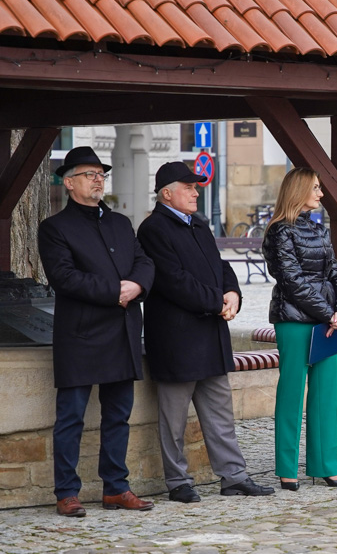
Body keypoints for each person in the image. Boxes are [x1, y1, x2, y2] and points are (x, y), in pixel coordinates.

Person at [137, 162, 275, 503]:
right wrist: (217, 302)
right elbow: (173, 281)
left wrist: (233, 294)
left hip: (210, 336)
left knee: (220, 414)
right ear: (167, 193)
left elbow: (221, 265)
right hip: (177, 339)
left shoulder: (197, 225)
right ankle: (177, 482)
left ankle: (234, 476)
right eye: (189, 187)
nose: (196, 192)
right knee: (173, 419)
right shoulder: (154, 229)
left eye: (196, 187)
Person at [38, 146, 155, 517]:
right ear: (69, 182)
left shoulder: (120, 223)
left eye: (101, 173)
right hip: (81, 335)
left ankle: (116, 488)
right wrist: (115, 293)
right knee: (70, 417)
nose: (98, 178)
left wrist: (136, 286)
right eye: (89, 174)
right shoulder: (54, 228)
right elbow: (64, 278)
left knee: (118, 415)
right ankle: (67, 492)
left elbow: (144, 261)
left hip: (121, 332)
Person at [262, 167, 337, 491]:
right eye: (315, 187)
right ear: (299, 191)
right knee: (291, 394)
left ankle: (326, 466)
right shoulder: (279, 231)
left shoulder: (318, 230)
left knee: (325, 396)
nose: (321, 193)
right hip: (294, 321)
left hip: (325, 322)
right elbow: (292, 282)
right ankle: (287, 469)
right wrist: (330, 313)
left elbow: (336, 274)